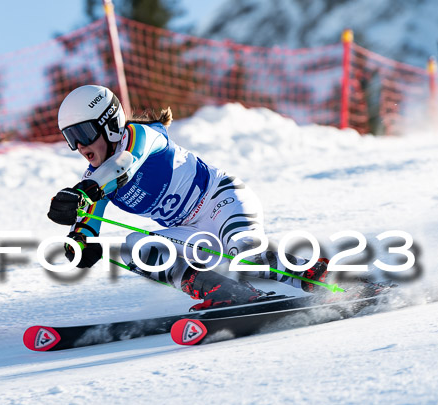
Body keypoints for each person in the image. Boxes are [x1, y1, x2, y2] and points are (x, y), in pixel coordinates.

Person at [47, 85, 328, 310]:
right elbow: (85, 227)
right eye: (71, 137)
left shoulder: (144, 135)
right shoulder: (96, 180)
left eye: (84, 132)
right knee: (133, 248)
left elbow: (125, 162)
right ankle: (227, 292)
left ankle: (320, 277)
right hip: (189, 231)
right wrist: (79, 247)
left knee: (244, 254)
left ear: (110, 124)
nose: (80, 145)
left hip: (221, 202)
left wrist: (85, 190)